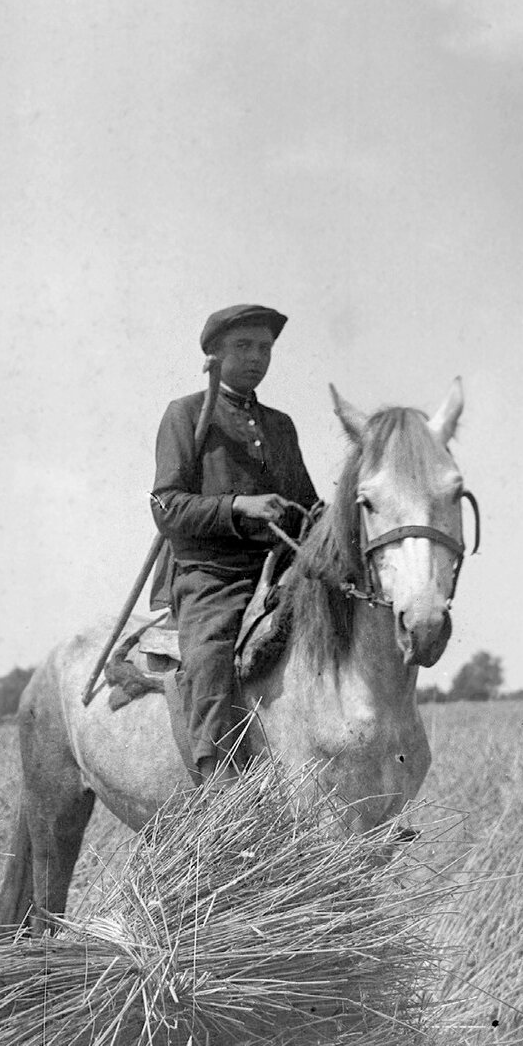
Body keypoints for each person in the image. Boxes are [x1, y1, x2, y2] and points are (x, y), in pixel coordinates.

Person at [149, 304, 320, 783]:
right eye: (242, 346)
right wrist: (238, 508)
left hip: (280, 568)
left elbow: (307, 506)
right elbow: (165, 507)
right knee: (210, 655)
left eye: (264, 348)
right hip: (212, 573)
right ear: (214, 355)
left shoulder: (281, 425)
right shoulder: (185, 414)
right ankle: (217, 781)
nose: (256, 358)